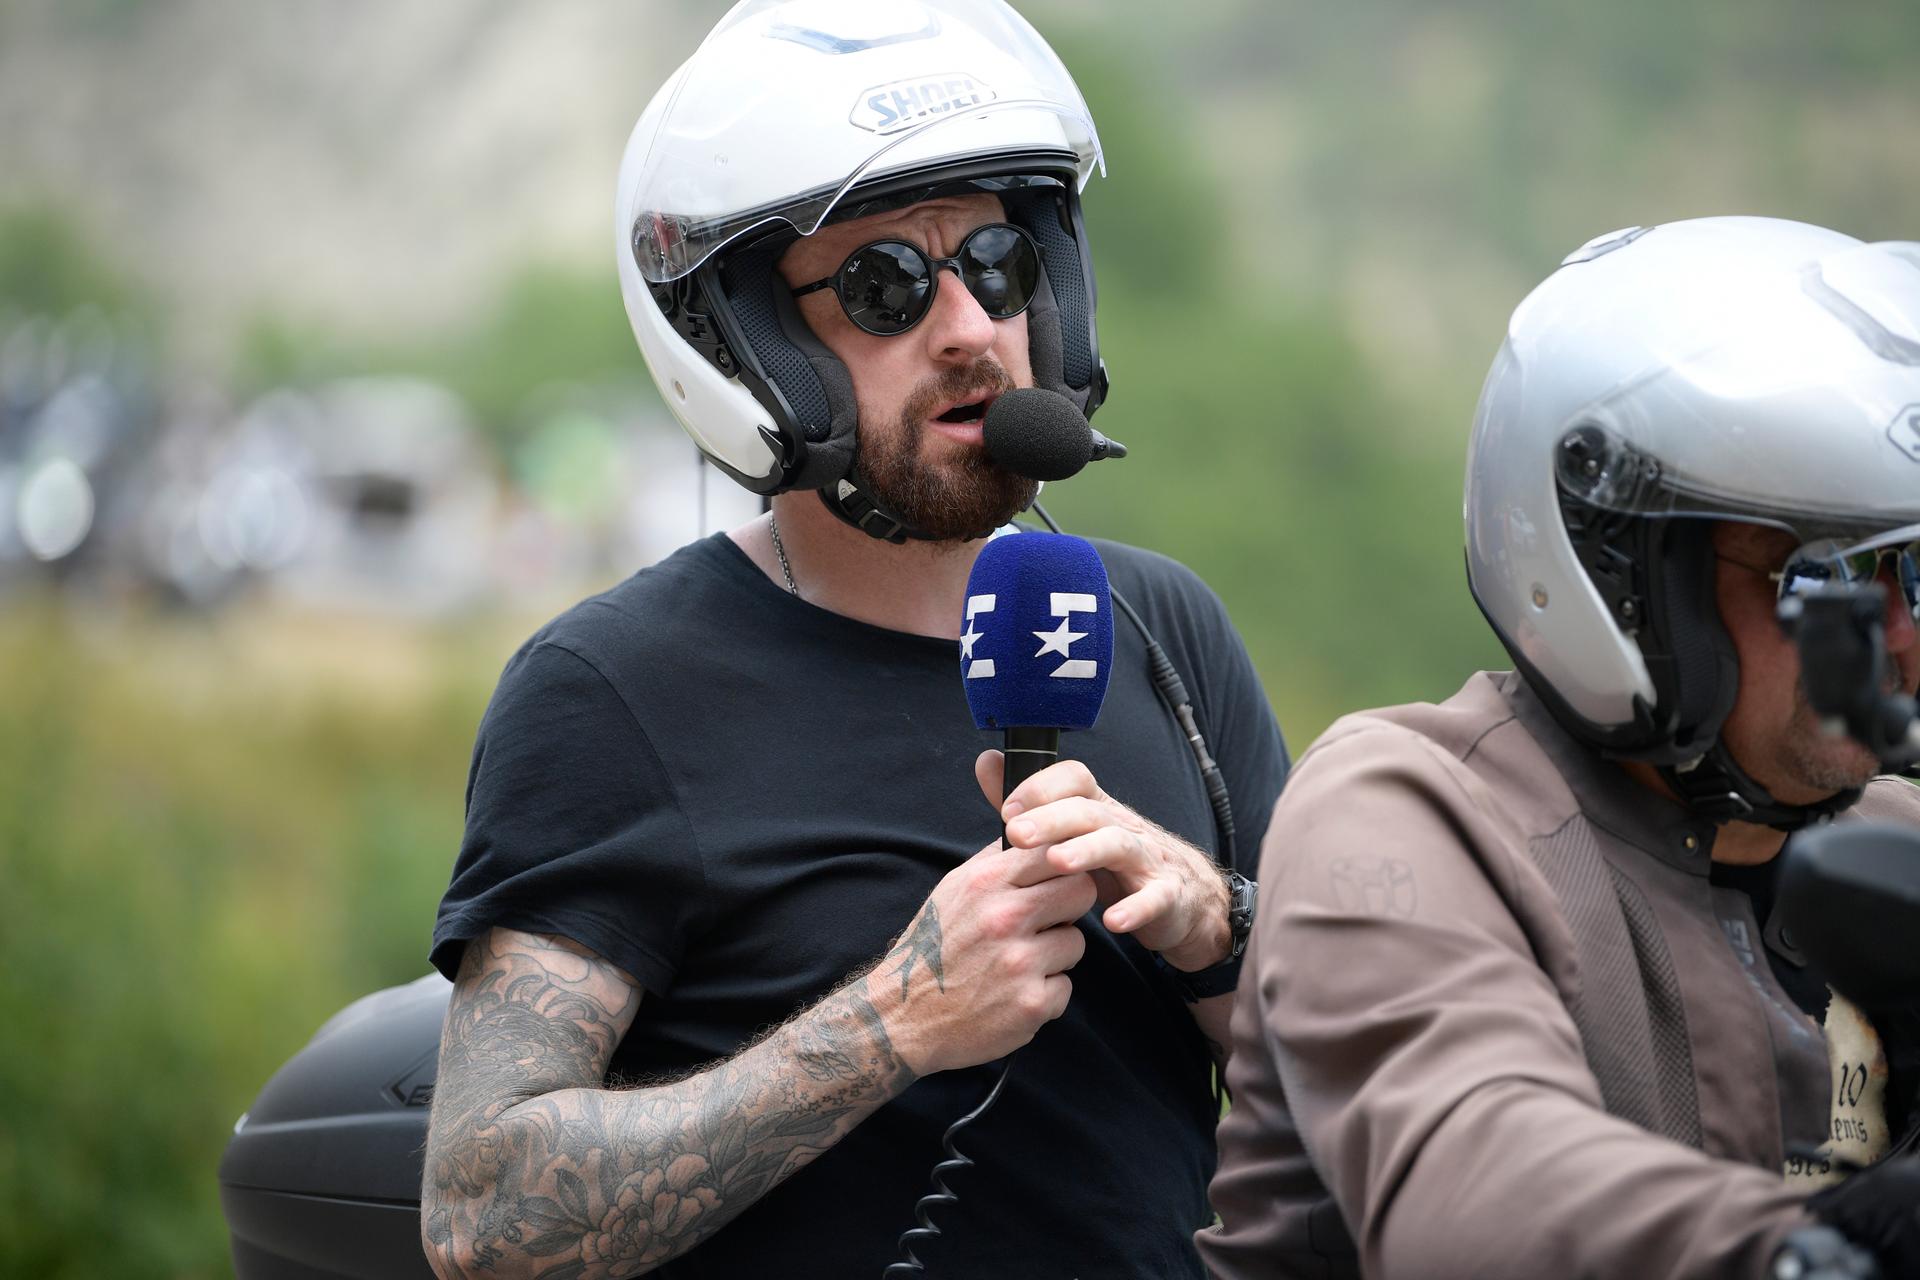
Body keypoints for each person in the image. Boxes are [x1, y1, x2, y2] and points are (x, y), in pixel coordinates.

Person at [417, 4, 1288, 1278]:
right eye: (885, 286)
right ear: (753, 346)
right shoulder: (612, 688)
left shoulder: (1164, 629)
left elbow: (1363, 1106)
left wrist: (1216, 922)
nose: (970, 328)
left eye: (996, 261)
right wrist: (893, 1022)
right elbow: (481, 1213)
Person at [1198, 216, 1920, 1280]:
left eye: (1915, 570)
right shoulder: (1412, 811)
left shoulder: (1893, 841)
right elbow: (1475, 1189)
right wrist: (1825, 1244)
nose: (1900, 632)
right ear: (1628, 579)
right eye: (1825, 574)